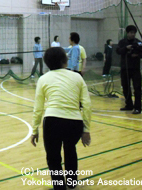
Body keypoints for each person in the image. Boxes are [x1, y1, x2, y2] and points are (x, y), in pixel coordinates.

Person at [31, 47, 91, 190]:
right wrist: (86, 129)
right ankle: (71, 182)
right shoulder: (77, 77)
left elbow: (38, 108)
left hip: (52, 122)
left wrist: (35, 130)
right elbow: (87, 105)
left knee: (53, 157)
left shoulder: (43, 79)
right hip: (75, 123)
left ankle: (59, 187)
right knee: (70, 149)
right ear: (65, 61)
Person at [116, 25, 142, 114]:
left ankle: (138, 107)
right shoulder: (122, 42)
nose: (132, 34)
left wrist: (136, 55)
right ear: (127, 33)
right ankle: (129, 105)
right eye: (131, 33)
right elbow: (118, 51)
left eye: (134, 33)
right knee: (126, 88)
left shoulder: (138, 43)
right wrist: (126, 48)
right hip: (125, 69)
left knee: (137, 88)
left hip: (135, 69)